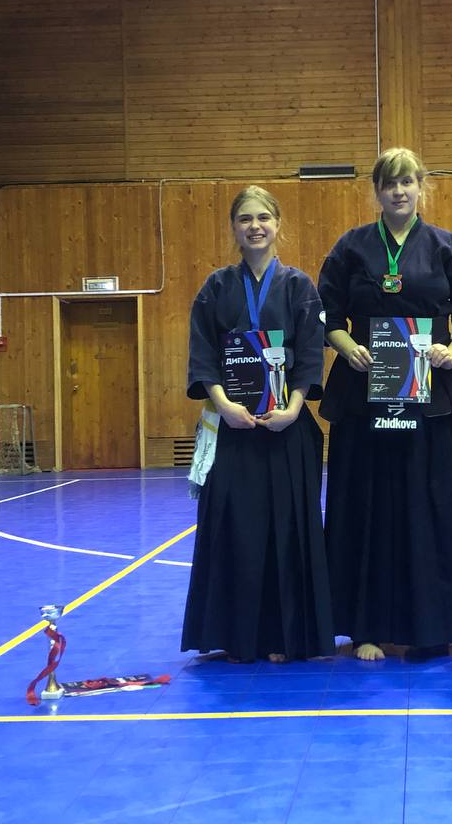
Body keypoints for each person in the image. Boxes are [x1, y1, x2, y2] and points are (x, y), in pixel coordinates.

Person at [318, 147, 452, 661]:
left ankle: (433, 627)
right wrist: (346, 346)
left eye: (406, 181)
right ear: (376, 190)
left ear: (421, 187)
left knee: (430, 508)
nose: (398, 191)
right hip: (364, 399)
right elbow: (326, 314)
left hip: (431, 400)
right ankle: (364, 626)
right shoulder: (351, 247)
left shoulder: (447, 247)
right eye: (389, 183)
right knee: (365, 508)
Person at [182, 186, 334, 662]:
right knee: (236, 530)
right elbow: (203, 354)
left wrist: (293, 408)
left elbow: (310, 355)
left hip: (287, 427)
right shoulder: (215, 287)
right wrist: (224, 405)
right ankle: (238, 636)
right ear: (233, 227)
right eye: (245, 219)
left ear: (277, 224)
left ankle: (286, 637)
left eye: (263, 217)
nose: (255, 226)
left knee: (287, 530)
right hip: (232, 427)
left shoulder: (299, 286)